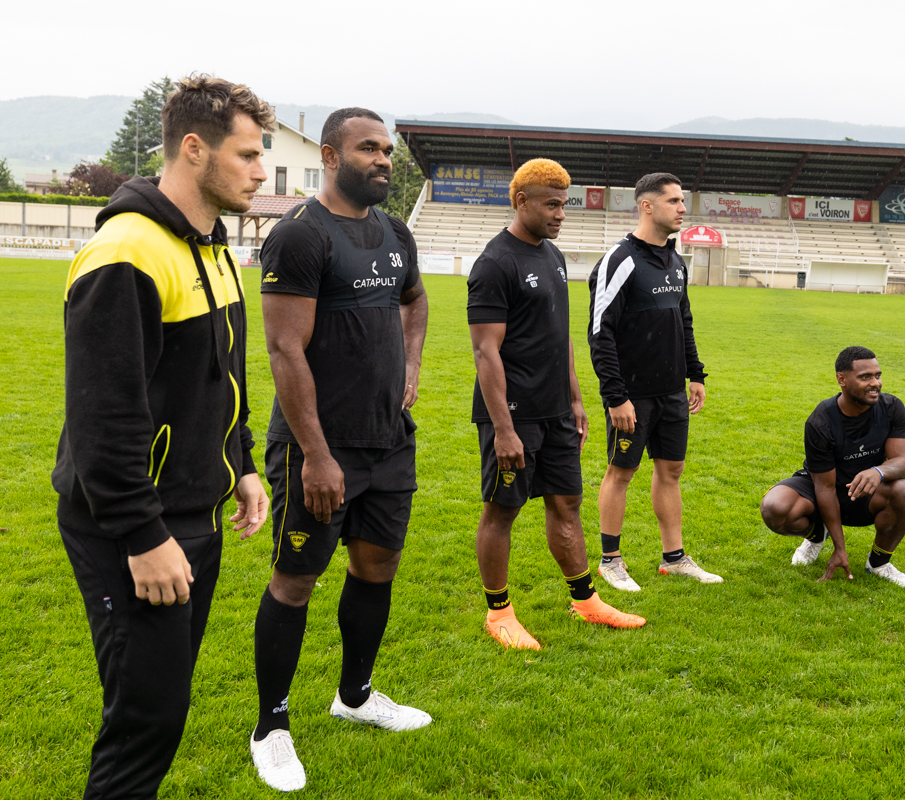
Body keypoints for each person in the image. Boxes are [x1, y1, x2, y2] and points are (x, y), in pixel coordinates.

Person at [52, 74, 272, 800]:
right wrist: (143, 538)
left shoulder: (210, 247)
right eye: (247, 154)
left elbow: (220, 378)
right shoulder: (127, 252)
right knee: (145, 721)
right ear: (192, 149)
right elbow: (101, 421)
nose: (262, 170)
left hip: (192, 517)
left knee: (162, 708)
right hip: (131, 530)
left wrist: (239, 463)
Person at [251, 108, 431, 791]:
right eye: (369, 149)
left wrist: (411, 366)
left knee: (377, 566)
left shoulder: (393, 231)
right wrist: (316, 456)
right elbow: (283, 349)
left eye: (388, 150)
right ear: (330, 155)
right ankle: (270, 726)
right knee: (297, 579)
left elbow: (414, 301)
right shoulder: (301, 235)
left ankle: (354, 696)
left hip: (388, 441)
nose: (384, 159)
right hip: (318, 449)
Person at [469, 158, 646, 651]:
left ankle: (585, 600)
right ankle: (498, 611)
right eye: (551, 204)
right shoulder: (494, 263)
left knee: (567, 503)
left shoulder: (553, 256)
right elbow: (486, 351)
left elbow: (560, 333)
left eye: (563, 204)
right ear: (521, 201)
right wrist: (503, 429)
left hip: (556, 412)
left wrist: (573, 396)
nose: (560, 214)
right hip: (513, 415)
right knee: (502, 510)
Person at [587, 172, 719, 591]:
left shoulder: (675, 260)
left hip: (671, 393)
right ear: (647, 206)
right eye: (675, 201)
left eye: (683, 201)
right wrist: (615, 396)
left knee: (672, 471)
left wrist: (694, 374)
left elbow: (684, 320)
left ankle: (674, 558)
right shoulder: (620, 260)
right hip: (632, 395)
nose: (683, 208)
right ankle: (611, 560)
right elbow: (599, 332)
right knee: (621, 472)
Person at [760, 346, 905, 591]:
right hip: (823, 485)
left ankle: (878, 563)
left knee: (903, 491)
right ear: (841, 379)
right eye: (865, 377)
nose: (875, 383)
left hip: (863, 490)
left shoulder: (891, 407)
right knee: (775, 508)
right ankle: (816, 536)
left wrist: (878, 471)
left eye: (877, 375)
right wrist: (839, 548)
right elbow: (824, 487)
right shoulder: (821, 421)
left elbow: (902, 462)